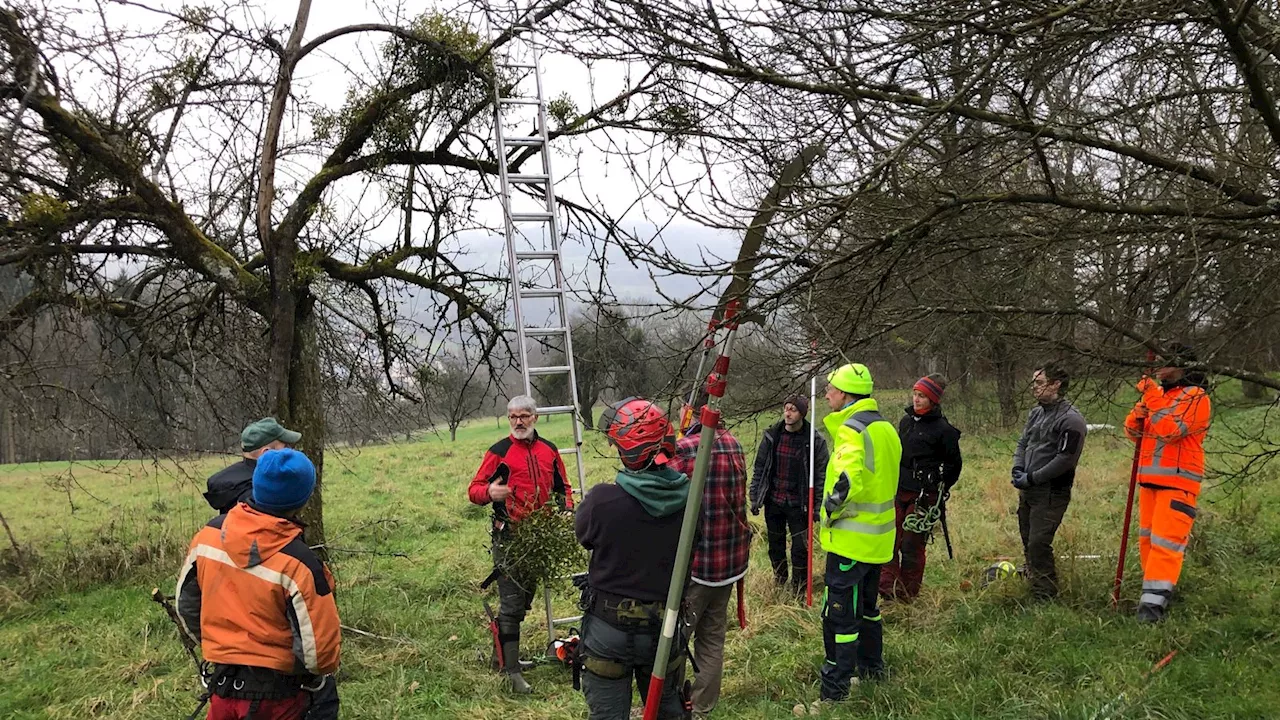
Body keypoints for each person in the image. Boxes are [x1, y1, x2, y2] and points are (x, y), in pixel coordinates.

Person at [176, 448, 341, 720]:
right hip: (281, 700)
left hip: (223, 687)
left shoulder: (206, 538)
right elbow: (319, 655)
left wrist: (221, 647)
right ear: (303, 497)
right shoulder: (300, 564)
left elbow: (187, 606)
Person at [575, 397, 689, 719]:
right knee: (669, 711)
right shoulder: (691, 502)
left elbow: (583, 536)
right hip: (663, 629)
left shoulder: (602, 502)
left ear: (629, 452)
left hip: (608, 630)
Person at [466, 395, 573, 693]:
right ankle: (510, 672)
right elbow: (473, 491)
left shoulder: (549, 450)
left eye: (524, 416)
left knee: (524, 601)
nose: (518, 421)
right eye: (513, 416)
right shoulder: (499, 451)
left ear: (535, 418)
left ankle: (501, 658)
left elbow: (563, 487)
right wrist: (490, 492)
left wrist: (566, 509)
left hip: (539, 539)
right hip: (509, 538)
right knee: (512, 604)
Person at [817, 363, 901, 702]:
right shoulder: (884, 428)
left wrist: (828, 510)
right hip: (878, 542)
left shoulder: (851, 430)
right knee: (868, 608)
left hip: (851, 542)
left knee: (839, 616)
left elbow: (847, 480)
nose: (826, 393)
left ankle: (834, 692)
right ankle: (871, 670)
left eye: (831, 388)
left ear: (846, 393)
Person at [668, 397, 751, 718]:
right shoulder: (734, 443)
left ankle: (670, 706)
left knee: (674, 639)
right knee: (713, 639)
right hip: (729, 562)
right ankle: (701, 709)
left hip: (697, 564)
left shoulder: (687, 448)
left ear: (691, 413)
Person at [1123, 343, 1211, 623]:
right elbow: (1132, 431)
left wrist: (1151, 396)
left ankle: (1151, 612)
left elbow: (1171, 431)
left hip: (1177, 485)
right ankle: (1154, 598)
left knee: (1165, 547)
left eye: (1165, 361)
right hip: (1150, 484)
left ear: (1181, 366)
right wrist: (1138, 414)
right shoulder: (1160, 396)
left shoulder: (1196, 398)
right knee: (1149, 544)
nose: (1158, 366)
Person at [880, 374, 962, 602]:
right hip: (898, 490)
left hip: (924, 496)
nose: (916, 400)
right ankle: (888, 591)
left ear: (933, 400)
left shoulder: (943, 430)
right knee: (889, 540)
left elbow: (954, 465)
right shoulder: (906, 423)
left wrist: (937, 480)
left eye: (922, 396)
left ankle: (907, 594)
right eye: (915, 395)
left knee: (911, 545)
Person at [1011, 363, 1088, 600]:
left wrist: (1033, 477)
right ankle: (1034, 580)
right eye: (1033, 382)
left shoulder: (1072, 421)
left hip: (1051, 492)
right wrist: (1017, 467)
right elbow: (1024, 442)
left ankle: (1044, 594)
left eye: (1039, 383)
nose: (1034, 388)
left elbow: (1065, 459)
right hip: (1028, 490)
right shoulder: (1036, 413)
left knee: (1039, 542)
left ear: (1056, 384)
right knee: (1027, 537)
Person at [749, 394, 829, 596]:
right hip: (774, 500)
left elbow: (821, 475)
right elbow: (760, 468)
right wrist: (755, 496)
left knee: (800, 550)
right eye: (786, 408)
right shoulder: (772, 436)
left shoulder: (814, 441)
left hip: (800, 503)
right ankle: (780, 581)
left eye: (793, 409)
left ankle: (799, 590)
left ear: (801, 413)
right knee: (775, 546)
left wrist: (816, 506)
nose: (788, 413)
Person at [204, 417, 302, 514]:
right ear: (266, 453)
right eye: (285, 447)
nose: (291, 451)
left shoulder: (234, 485)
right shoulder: (261, 494)